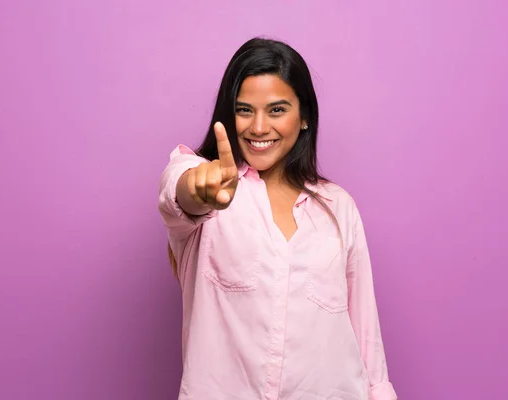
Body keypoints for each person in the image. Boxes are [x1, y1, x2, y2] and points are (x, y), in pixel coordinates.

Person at [158, 37, 397, 400]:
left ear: (303, 117)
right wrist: (198, 187)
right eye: (243, 110)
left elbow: (366, 333)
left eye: (276, 110)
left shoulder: (338, 207)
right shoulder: (207, 193)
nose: (257, 127)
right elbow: (179, 193)